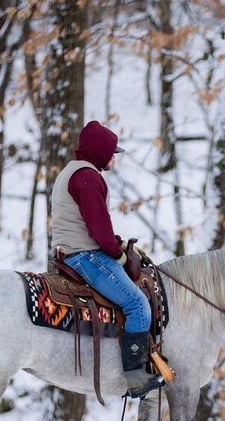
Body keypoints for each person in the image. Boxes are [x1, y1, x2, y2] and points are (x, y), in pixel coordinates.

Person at [51, 120, 165, 399]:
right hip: (85, 255)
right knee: (137, 304)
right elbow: (99, 231)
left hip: (73, 250)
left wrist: (119, 244)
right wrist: (119, 253)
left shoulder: (71, 172)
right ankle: (137, 378)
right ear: (100, 152)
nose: (114, 158)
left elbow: (95, 225)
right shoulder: (88, 178)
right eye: (112, 152)